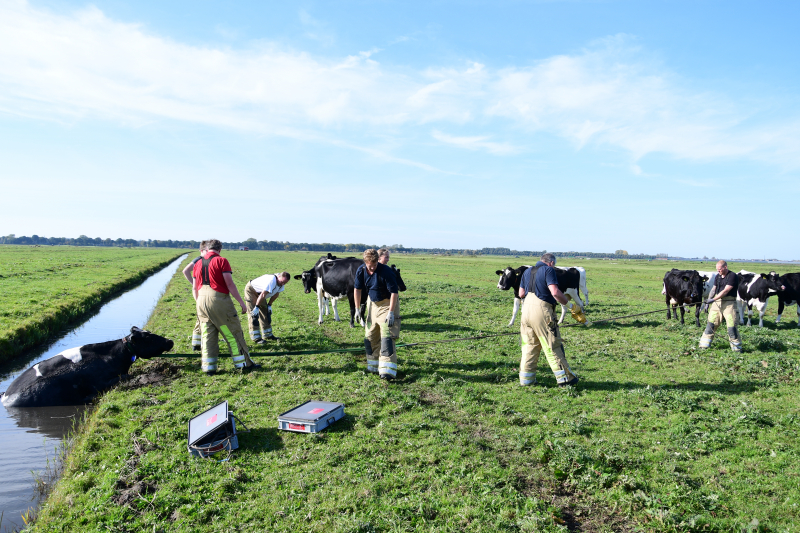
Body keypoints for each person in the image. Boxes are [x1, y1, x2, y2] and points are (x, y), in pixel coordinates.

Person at [192, 239, 258, 374]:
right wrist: (241, 302)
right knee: (232, 332)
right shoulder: (221, 261)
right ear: (219, 249)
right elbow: (229, 284)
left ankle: (209, 368)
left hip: (201, 300)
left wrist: (200, 302)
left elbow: (194, 287)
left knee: (207, 333)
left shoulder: (197, 263)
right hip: (218, 299)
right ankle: (243, 364)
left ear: (207, 248)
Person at [517, 253, 579, 387]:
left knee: (529, 345)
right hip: (541, 311)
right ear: (551, 263)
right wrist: (570, 306)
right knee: (551, 343)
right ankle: (565, 379)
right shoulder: (549, 270)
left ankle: (526, 380)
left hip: (525, 311)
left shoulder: (527, 271)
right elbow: (555, 292)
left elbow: (521, 293)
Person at [354, 249, 400, 380]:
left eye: (375, 264)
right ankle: (373, 366)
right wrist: (357, 309)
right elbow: (357, 289)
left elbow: (394, 293)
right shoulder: (361, 270)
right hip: (373, 304)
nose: (373, 267)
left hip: (387, 304)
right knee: (370, 336)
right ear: (365, 262)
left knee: (386, 336)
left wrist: (391, 312)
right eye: (370, 265)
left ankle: (387, 371)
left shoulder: (386, 271)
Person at [699, 260, 741, 352]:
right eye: (717, 270)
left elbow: (726, 291)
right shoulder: (717, 276)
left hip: (729, 303)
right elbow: (714, 289)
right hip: (717, 304)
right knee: (711, 323)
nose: (718, 271)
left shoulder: (733, 276)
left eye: (720, 269)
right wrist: (707, 302)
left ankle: (736, 348)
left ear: (725, 267)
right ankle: (704, 345)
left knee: (731, 326)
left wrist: (713, 299)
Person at [245, 271, 290, 343]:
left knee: (265, 312)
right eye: (282, 282)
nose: (283, 284)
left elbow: (276, 294)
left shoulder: (281, 283)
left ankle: (267, 335)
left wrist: (269, 305)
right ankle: (256, 337)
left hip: (261, 293)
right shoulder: (272, 281)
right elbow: (263, 295)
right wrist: (256, 307)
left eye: (285, 283)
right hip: (251, 290)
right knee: (253, 313)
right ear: (279, 276)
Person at [182, 241, 207, 351]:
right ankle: (198, 344)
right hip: (201, 292)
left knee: (200, 317)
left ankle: (196, 343)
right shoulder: (199, 260)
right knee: (201, 316)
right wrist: (195, 285)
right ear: (201, 250)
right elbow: (185, 270)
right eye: (207, 250)